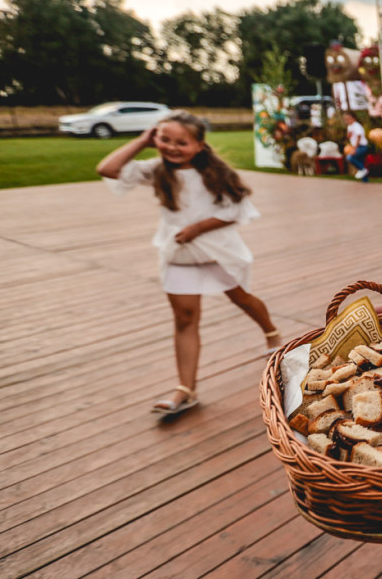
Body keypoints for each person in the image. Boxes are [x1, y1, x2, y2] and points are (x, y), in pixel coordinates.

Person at [96, 111, 281, 414]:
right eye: (164, 139)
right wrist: (142, 141)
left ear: (198, 145)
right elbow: (107, 168)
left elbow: (237, 210)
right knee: (184, 319)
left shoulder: (216, 174)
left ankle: (271, 332)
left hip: (215, 251)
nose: (171, 147)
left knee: (242, 298)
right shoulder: (156, 170)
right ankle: (186, 390)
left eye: (181, 142)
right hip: (179, 255)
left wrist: (198, 228)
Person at [343, 111, 370, 182]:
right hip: (357, 146)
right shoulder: (350, 127)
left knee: (350, 158)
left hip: (362, 146)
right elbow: (350, 137)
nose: (347, 120)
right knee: (360, 161)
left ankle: (363, 169)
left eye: (348, 118)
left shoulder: (357, 125)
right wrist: (348, 135)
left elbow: (359, 137)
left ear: (353, 118)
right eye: (346, 119)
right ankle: (365, 180)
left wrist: (354, 148)